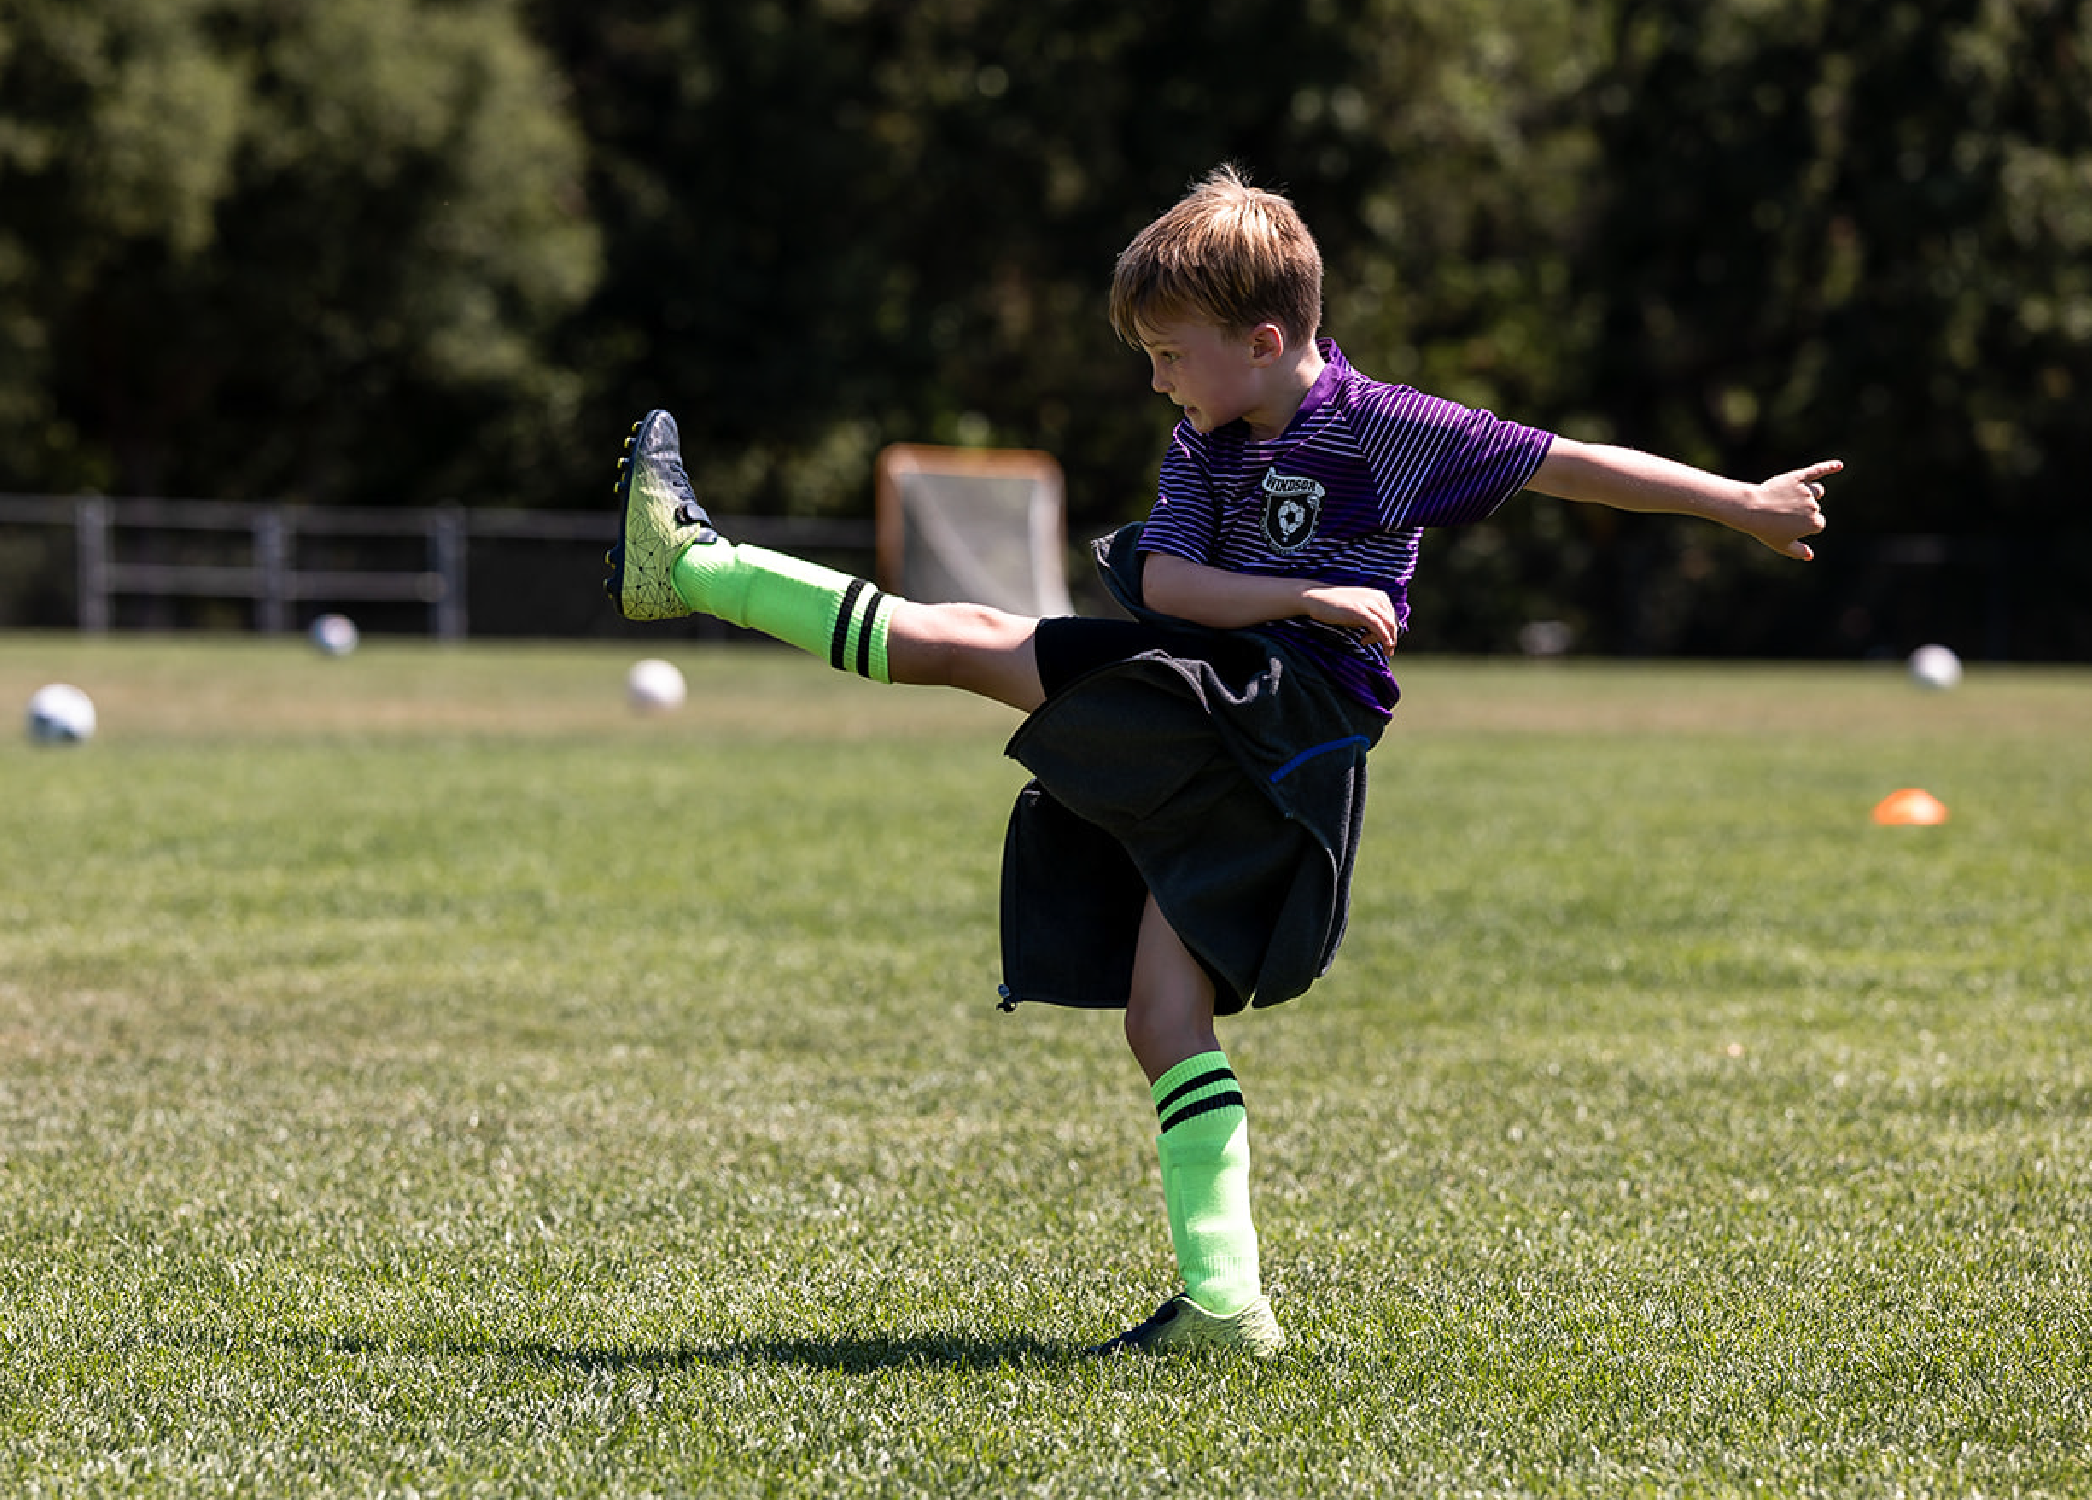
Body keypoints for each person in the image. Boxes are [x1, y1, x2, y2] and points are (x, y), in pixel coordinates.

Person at [604, 163, 1835, 1356]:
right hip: (1214, 696)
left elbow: (1566, 463)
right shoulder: (1208, 437)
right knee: (1160, 1019)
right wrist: (1310, 586)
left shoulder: (1387, 429)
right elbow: (1170, 583)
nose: (1155, 382)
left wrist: (1740, 502)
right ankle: (1226, 1307)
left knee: (978, 647)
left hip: (1282, 729)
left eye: (1167, 354)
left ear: (1261, 338)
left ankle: (696, 568)